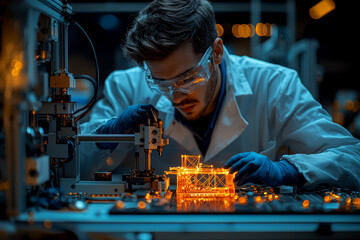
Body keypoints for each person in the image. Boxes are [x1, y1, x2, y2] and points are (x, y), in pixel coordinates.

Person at [80, 0, 360, 189]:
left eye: (188, 78)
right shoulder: (126, 88)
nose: (176, 98)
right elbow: (74, 168)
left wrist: (289, 170)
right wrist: (108, 135)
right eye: (161, 84)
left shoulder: (275, 85)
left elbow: (352, 156)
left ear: (215, 52)